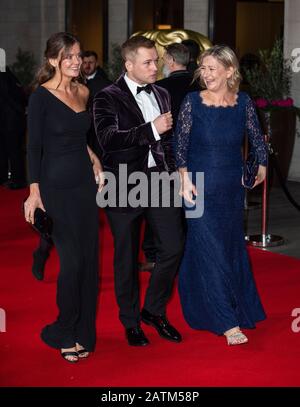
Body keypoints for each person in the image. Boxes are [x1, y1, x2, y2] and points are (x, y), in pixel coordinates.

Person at [93, 35, 184, 347]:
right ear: (128, 64)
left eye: (156, 60)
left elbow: (168, 140)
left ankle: (154, 310)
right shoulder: (107, 96)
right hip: (122, 182)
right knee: (126, 256)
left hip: (159, 179)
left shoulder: (161, 92)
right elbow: (108, 141)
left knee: (172, 247)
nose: (155, 66)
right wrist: (151, 129)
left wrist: (175, 171)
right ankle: (130, 321)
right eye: (147, 62)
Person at [175, 45, 267, 346]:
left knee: (227, 248)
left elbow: (256, 137)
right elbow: (180, 145)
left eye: (212, 68)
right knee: (209, 248)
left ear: (230, 71)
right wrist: (184, 179)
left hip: (230, 187)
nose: (205, 73)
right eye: (203, 67)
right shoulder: (192, 102)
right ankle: (227, 322)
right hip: (198, 186)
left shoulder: (243, 102)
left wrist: (261, 164)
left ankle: (205, 302)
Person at [24, 32, 103, 362]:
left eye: (77, 55)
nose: (75, 61)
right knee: (71, 264)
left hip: (85, 186)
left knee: (89, 263)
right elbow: (34, 146)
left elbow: (75, 133)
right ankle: (63, 330)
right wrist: (33, 192)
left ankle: (84, 333)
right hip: (55, 187)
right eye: (68, 56)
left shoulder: (84, 91)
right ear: (53, 60)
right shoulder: (41, 96)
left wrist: (93, 155)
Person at [140, 43, 200, 271]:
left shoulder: (158, 87)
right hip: (196, 152)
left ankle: (156, 255)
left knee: (162, 206)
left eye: (163, 60)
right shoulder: (201, 85)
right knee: (193, 204)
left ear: (171, 61)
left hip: (168, 153)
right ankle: (190, 256)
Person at [0, 67, 27, 189]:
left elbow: (7, 97)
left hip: (10, 120)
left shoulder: (3, 73)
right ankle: (6, 178)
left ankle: (18, 181)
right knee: (8, 150)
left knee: (13, 151)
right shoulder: (7, 72)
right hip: (13, 119)